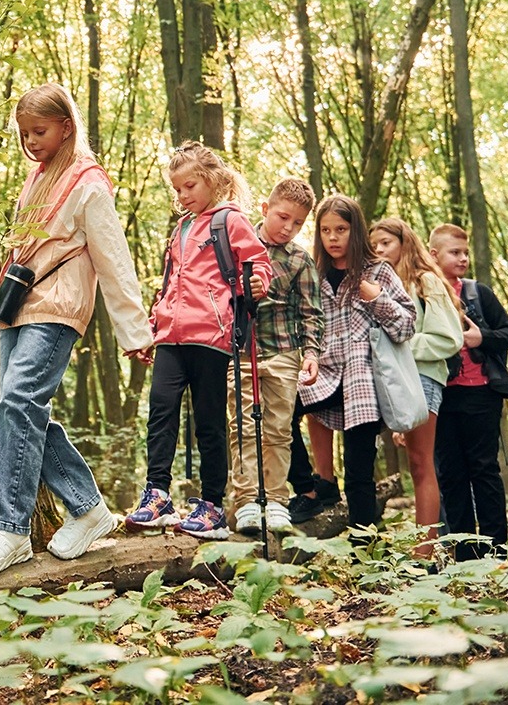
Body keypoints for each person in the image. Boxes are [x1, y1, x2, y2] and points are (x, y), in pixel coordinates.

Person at [0, 83, 154, 574]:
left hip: (59, 308)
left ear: (67, 127)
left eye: (40, 131)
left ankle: (8, 529)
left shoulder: (88, 183)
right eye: (25, 132)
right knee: (21, 410)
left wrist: (134, 332)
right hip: (18, 307)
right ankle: (88, 507)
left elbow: (114, 259)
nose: (31, 141)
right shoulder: (37, 178)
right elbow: (21, 251)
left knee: (18, 401)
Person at [125, 141, 272, 540]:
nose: (182, 195)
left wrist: (258, 283)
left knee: (209, 423)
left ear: (211, 180)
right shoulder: (181, 229)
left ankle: (211, 505)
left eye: (189, 186)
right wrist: (151, 331)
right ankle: (157, 494)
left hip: (212, 336)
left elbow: (258, 262)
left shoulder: (230, 221)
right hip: (171, 336)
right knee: (161, 411)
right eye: (177, 190)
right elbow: (169, 284)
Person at [289, 195, 416, 531]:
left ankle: (363, 547)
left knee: (360, 475)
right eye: (326, 230)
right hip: (323, 374)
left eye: (341, 229)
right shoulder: (312, 273)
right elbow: (299, 323)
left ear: (355, 230)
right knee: (278, 412)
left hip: (364, 384)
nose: (333, 237)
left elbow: (406, 326)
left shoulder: (379, 271)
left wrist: (378, 300)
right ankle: (313, 488)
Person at [228, 178, 324, 535]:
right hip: (240, 352)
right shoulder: (237, 246)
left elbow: (311, 312)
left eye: (298, 223)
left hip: (284, 353)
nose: (289, 227)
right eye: (283, 217)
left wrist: (311, 353)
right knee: (242, 426)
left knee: (279, 429)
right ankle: (248, 500)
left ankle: (277, 500)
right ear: (265, 210)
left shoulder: (300, 259)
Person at [370, 217, 464, 559]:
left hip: (422, 378)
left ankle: (425, 553)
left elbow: (449, 339)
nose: (379, 250)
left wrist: (403, 343)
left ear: (404, 243)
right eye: (374, 245)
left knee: (421, 463)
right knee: (401, 460)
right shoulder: (376, 285)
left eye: (386, 243)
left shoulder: (426, 282)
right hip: (387, 381)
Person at [428, 223, 508, 560]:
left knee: (484, 469)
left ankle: (497, 551)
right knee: (451, 474)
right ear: (434, 255)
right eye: (455, 253)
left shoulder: (477, 292)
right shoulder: (422, 294)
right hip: (440, 396)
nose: (463, 258)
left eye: (465, 252)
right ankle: (466, 556)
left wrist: (481, 337)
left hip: (482, 394)